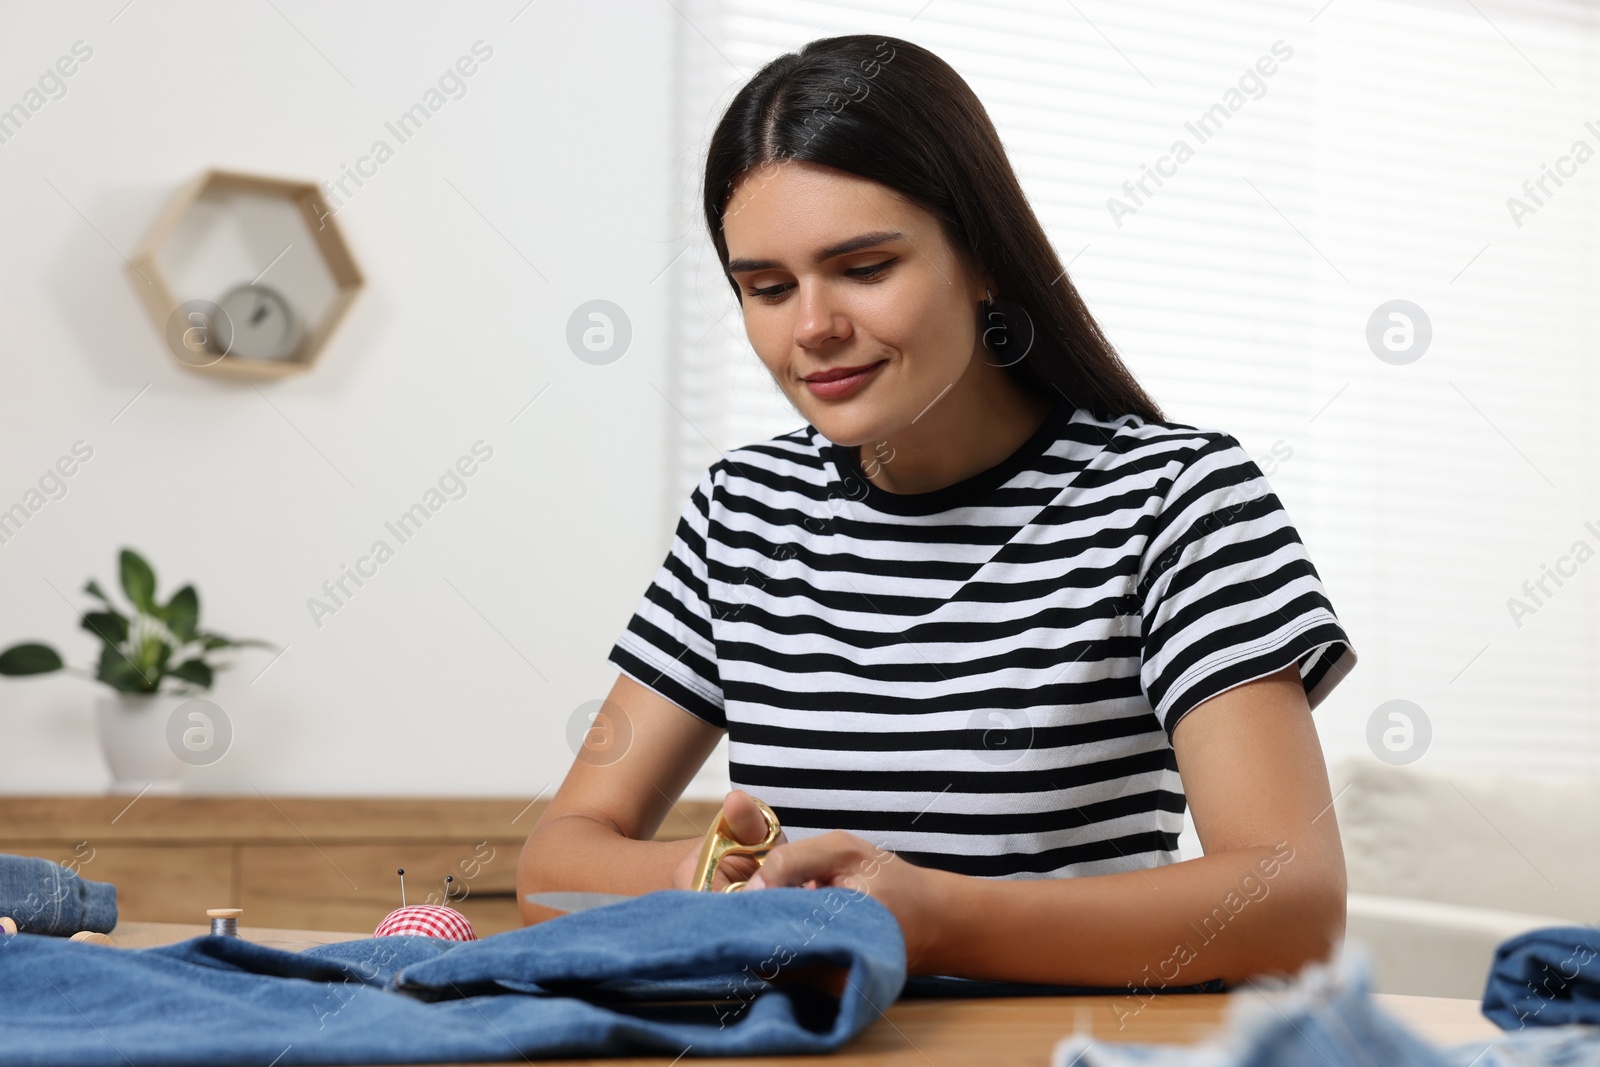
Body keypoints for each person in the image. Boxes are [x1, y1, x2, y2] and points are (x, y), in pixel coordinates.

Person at [517, 34, 1357, 990]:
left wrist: (934, 918)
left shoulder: (1176, 502)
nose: (812, 327)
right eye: (768, 288)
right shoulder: (742, 514)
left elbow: (1292, 905)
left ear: (985, 257)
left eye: (865, 267)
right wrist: (709, 879)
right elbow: (553, 868)